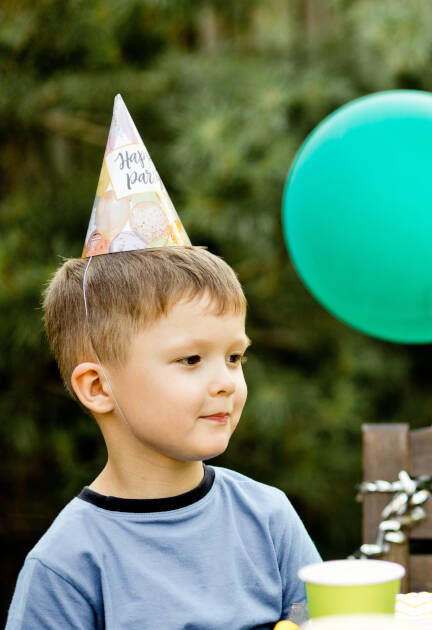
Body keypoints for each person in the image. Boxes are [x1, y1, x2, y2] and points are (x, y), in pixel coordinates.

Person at [7, 95, 320, 629]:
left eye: (235, 357)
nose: (226, 382)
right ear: (97, 387)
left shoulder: (268, 520)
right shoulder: (68, 567)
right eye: (191, 359)